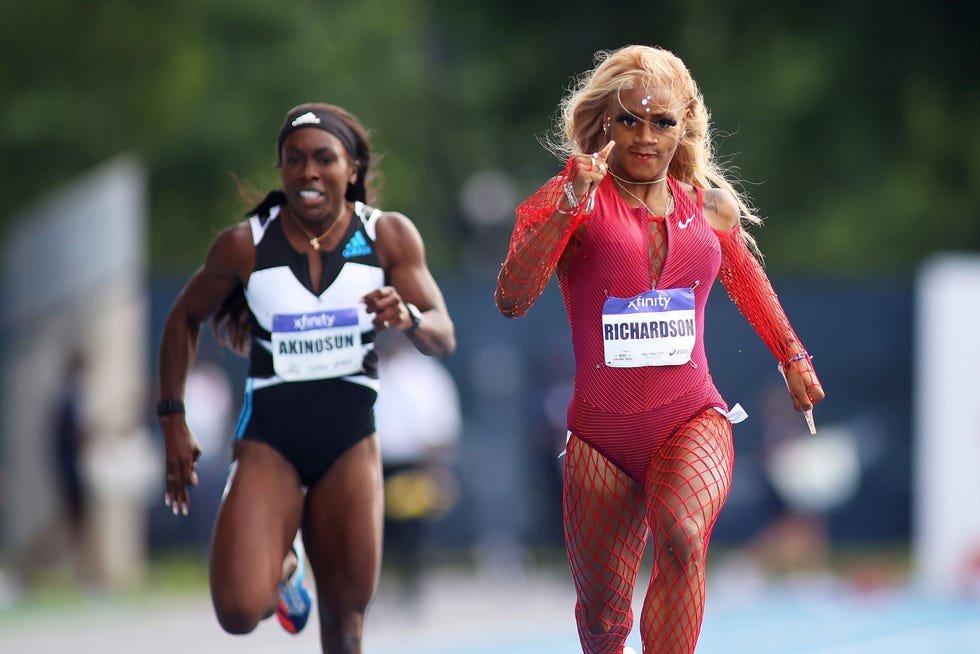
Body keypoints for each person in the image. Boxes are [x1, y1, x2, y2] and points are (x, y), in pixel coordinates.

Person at [495, 45, 824, 654]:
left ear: (686, 124)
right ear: (604, 124)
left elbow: (749, 281)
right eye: (629, 120)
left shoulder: (709, 204)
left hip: (691, 417)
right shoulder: (573, 194)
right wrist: (571, 199)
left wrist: (793, 356)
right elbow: (512, 298)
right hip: (600, 435)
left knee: (681, 533)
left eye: (662, 122)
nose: (646, 137)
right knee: (601, 622)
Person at [157, 102, 456, 653]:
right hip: (271, 439)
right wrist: (173, 419)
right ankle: (284, 568)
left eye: (323, 159)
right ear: (281, 170)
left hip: (350, 444)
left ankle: (295, 558)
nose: (308, 172)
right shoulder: (245, 244)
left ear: (353, 169)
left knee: (345, 628)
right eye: (293, 161)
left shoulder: (388, 236)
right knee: (239, 610)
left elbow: (443, 332)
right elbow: (183, 317)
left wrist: (409, 317)